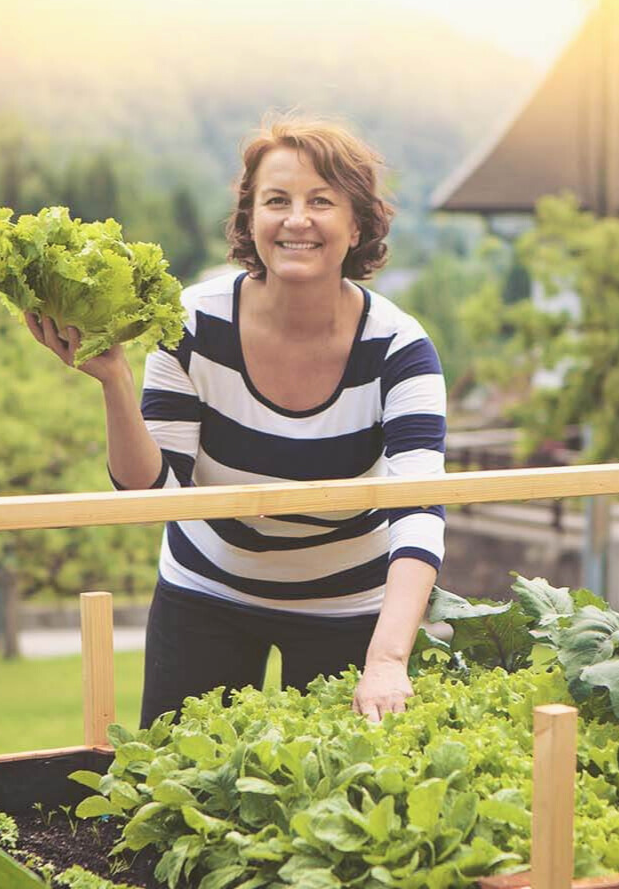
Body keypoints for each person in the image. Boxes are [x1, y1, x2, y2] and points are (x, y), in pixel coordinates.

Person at [24, 116, 446, 727]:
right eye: (277, 200)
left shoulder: (400, 348)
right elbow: (154, 492)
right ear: (251, 219)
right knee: (174, 796)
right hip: (207, 592)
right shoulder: (191, 321)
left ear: (357, 225)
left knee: (339, 803)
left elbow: (420, 510)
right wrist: (115, 380)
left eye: (320, 201)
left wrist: (386, 659)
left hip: (349, 604)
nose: (297, 219)